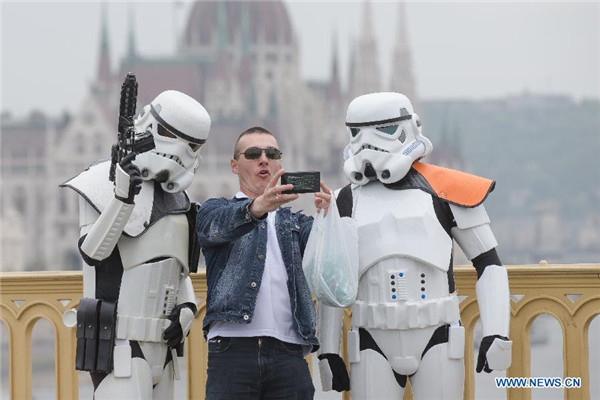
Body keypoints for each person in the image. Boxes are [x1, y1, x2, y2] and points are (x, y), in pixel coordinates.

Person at [317, 92, 512, 399]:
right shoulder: (345, 200)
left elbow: (489, 264)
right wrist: (327, 350)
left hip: (438, 334)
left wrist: (497, 331)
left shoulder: (447, 191)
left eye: (382, 130)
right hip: (371, 337)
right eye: (357, 133)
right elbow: (332, 280)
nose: (367, 144)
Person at [61, 89, 211, 399]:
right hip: (120, 346)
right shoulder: (100, 180)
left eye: (195, 145)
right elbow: (92, 252)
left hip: (164, 350)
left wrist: (186, 311)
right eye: (177, 137)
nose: (186, 151)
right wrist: (121, 198)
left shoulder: (178, 199)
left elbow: (178, 272)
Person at [196, 126, 331, 400]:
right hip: (232, 351)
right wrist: (257, 207)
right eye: (254, 153)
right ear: (234, 165)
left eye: (272, 153)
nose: (264, 159)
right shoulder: (215, 210)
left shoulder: (296, 223)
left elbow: (328, 260)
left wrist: (330, 218)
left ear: (280, 162)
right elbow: (212, 230)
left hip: (289, 353)